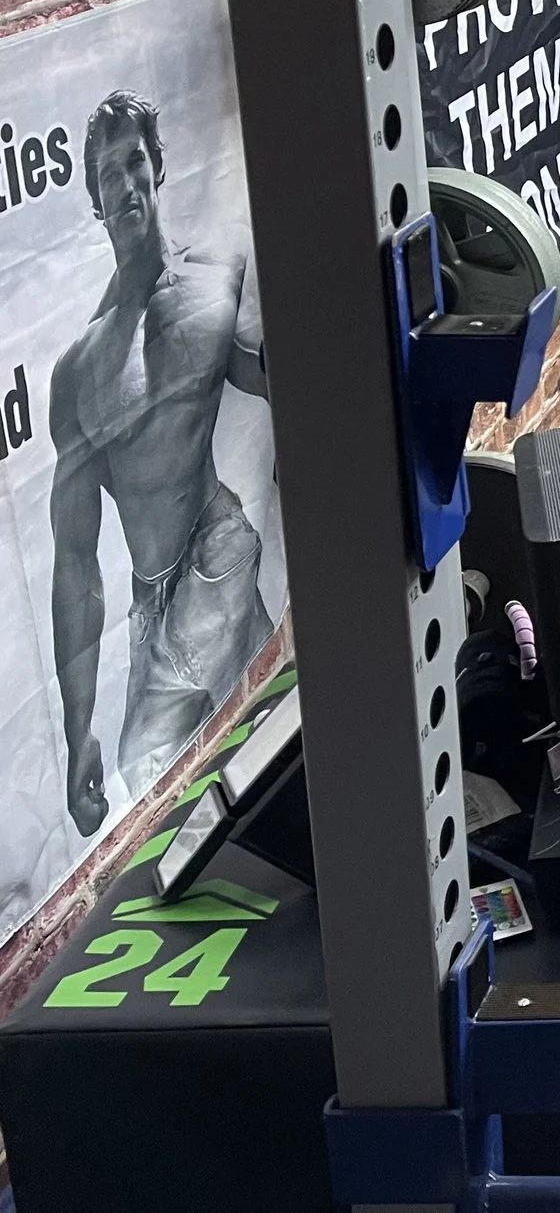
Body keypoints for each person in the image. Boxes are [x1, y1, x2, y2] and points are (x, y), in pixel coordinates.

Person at [50, 91, 270, 836]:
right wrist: (78, 729)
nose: (124, 184)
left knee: (146, 774)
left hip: (219, 546)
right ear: (94, 200)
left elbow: (260, 374)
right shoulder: (78, 371)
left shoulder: (213, 278)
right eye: (106, 174)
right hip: (154, 606)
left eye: (134, 161)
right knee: (267, 723)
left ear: (158, 166)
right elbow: (76, 562)